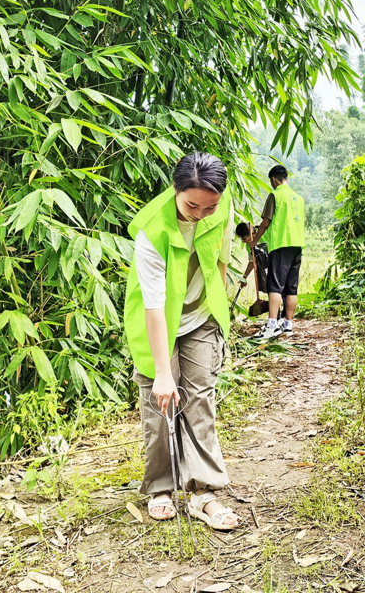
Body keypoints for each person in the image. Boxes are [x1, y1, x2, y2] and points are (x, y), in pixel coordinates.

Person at [124, 152, 240, 530]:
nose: (200, 213)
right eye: (192, 204)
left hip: (200, 316)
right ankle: (161, 487)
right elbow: (154, 307)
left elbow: (220, 262)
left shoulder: (219, 208)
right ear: (175, 190)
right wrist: (162, 373)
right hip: (156, 322)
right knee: (161, 403)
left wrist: (216, 311)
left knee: (200, 397)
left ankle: (203, 492)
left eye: (210, 207)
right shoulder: (152, 230)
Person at [247, 165, 305, 339]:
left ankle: (272, 325)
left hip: (281, 245)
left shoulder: (275, 195)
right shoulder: (299, 198)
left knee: (275, 286)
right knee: (291, 288)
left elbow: (266, 223)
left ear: (273, 179)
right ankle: (288, 325)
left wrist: (254, 241)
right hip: (297, 245)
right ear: (286, 177)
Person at [234, 221, 268, 295]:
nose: (243, 241)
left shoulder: (264, 234)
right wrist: (244, 278)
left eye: (243, 238)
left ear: (250, 233)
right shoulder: (249, 245)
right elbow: (252, 262)